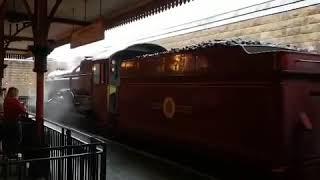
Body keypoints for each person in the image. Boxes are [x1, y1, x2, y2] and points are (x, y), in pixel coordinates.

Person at [2, 87, 26, 157]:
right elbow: (23, 111)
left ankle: (7, 156)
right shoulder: (14, 101)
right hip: (14, 123)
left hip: (6, 123)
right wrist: (23, 105)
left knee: (7, 139)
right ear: (15, 93)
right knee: (17, 139)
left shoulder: (6, 100)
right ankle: (13, 155)